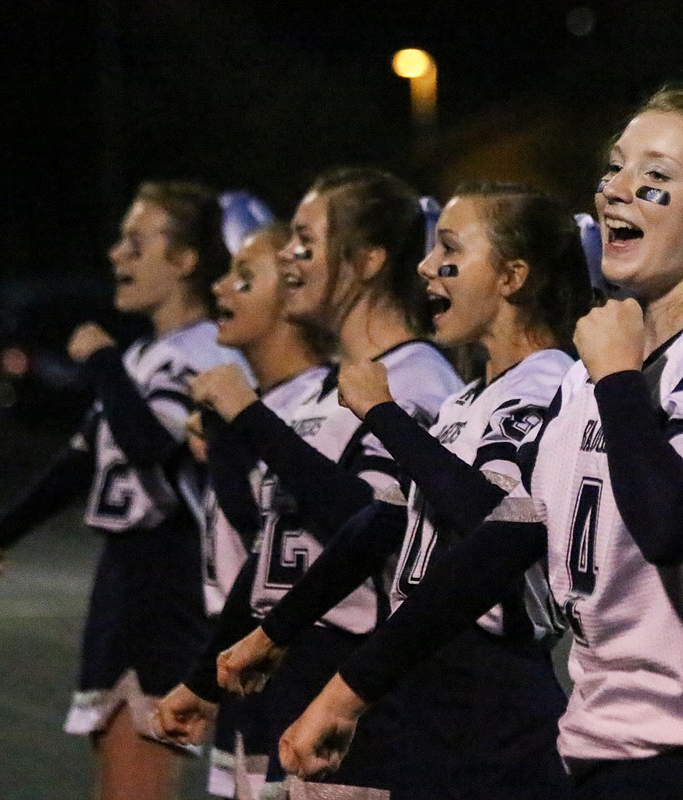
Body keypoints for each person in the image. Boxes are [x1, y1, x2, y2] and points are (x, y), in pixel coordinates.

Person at [278, 88, 683, 800]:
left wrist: (620, 379)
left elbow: (673, 524)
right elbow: (497, 546)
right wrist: (349, 692)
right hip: (597, 758)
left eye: (654, 180)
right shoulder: (592, 372)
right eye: (615, 169)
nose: (616, 191)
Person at [210, 181, 594, 800]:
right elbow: (385, 521)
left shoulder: (550, 386)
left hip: (491, 694)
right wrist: (272, 633)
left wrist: (384, 416)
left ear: (512, 276)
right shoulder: (470, 399)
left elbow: (498, 525)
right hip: (425, 683)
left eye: (450, 249)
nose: (425, 267)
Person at [152, 167, 464, 798]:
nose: (289, 257)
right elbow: (276, 550)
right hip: (288, 676)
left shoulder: (416, 381)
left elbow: (374, 524)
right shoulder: (329, 387)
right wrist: (207, 677)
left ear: (369, 259)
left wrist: (249, 420)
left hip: (359, 694)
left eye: (305, 241)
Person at [0, 180, 256, 800]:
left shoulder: (200, 353)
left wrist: (100, 362)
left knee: (134, 783)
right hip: (126, 579)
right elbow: (84, 457)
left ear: (184, 261)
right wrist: (0, 532)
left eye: (135, 243)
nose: (117, 255)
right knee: (116, 773)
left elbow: (150, 443)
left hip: (167, 576)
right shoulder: (149, 353)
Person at [189, 220, 332, 799]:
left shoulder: (311, 400)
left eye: (245, 276)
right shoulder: (268, 399)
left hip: (290, 663)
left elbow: (266, 532)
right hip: (246, 657)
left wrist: (229, 430)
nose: (221, 288)